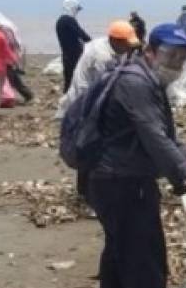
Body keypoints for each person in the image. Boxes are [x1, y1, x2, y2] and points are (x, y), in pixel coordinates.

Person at [88, 22, 186, 288]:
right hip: (121, 181)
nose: (174, 65)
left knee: (120, 255)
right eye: (169, 56)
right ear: (149, 51)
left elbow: (167, 135)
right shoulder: (136, 82)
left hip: (116, 179)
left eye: (180, 59)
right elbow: (155, 137)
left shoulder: (146, 80)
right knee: (144, 259)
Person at [58, 20, 141, 197]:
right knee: (88, 144)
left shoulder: (112, 48)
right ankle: (87, 192)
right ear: (116, 41)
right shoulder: (103, 57)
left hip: (93, 99)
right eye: (127, 44)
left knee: (94, 145)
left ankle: (91, 189)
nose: (129, 49)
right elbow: (104, 87)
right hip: (86, 103)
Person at [0, 10, 33, 104]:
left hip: (8, 57)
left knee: (12, 77)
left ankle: (27, 95)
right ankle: (25, 95)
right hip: (6, 57)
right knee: (11, 78)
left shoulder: (5, 29)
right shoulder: (2, 28)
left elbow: (11, 43)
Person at [56, 0, 91, 92]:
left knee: (68, 79)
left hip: (66, 54)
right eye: (77, 9)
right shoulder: (69, 20)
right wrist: (93, 43)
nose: (77, 11)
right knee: (76, 78)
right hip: (74, 55)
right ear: (72, 7)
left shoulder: (60, 21)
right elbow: (81, 34)